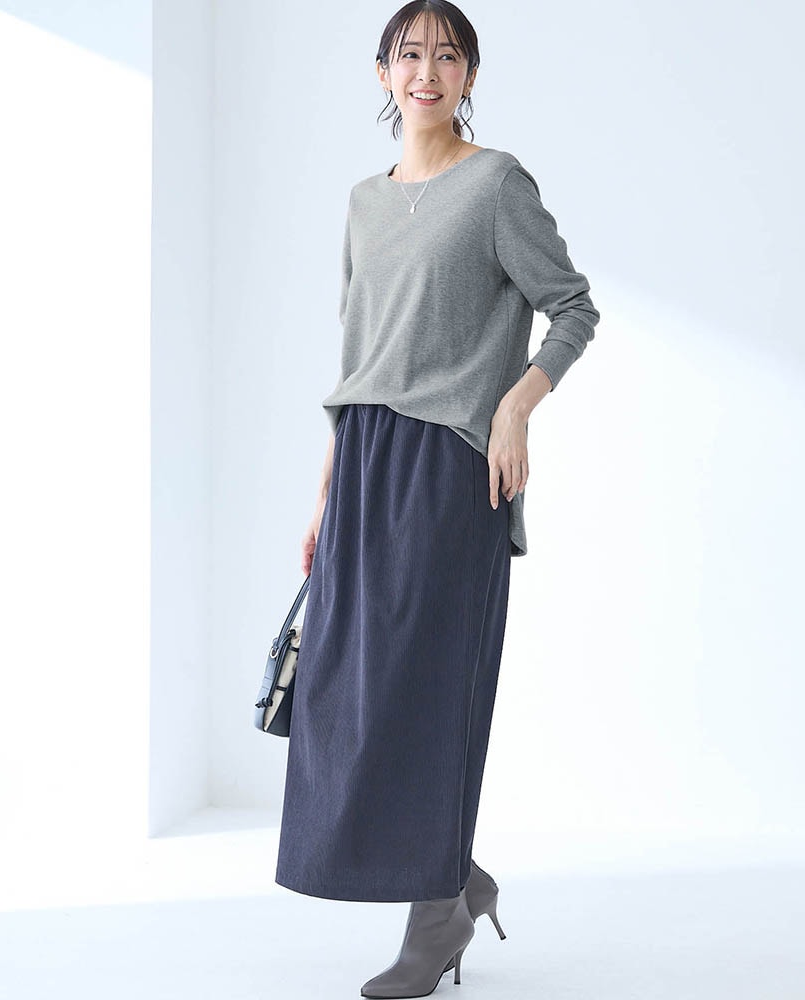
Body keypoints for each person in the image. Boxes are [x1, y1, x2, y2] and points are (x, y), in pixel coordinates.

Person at [273, 2, 600, 996]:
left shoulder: (496, 185)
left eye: (446, 55)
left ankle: (433, 918)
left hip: (452, 463)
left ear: (469, 75)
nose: (427, 71)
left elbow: (572, 308)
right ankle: (456, 878)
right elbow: (359, 354)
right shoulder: (363, 203)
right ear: (382, 72)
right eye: (409, 54)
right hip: (365, 461)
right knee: (345, 690)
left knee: (426, 689)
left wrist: (516, 409)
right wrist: (326, 491)